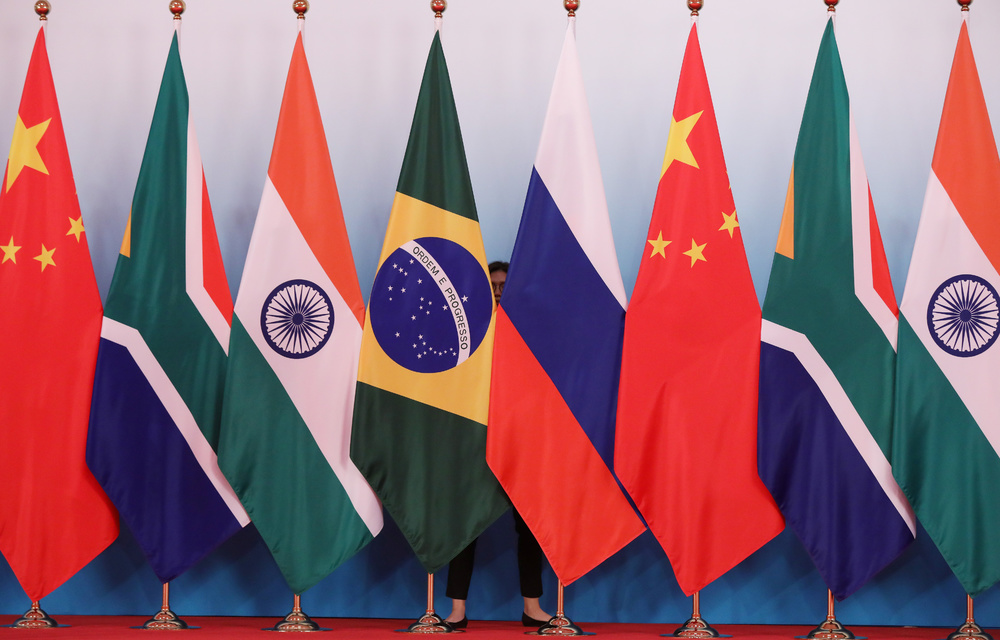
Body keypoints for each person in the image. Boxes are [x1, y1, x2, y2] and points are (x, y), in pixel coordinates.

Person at [441, 261, 551, 630]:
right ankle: (457, 610)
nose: (499, 290)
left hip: (522, 443)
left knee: (531, 527)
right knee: (465, 526)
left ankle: (532, 607)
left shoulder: (530, 333)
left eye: (504, 284)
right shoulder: (466, 332)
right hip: (475, 442)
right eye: (493, 285)